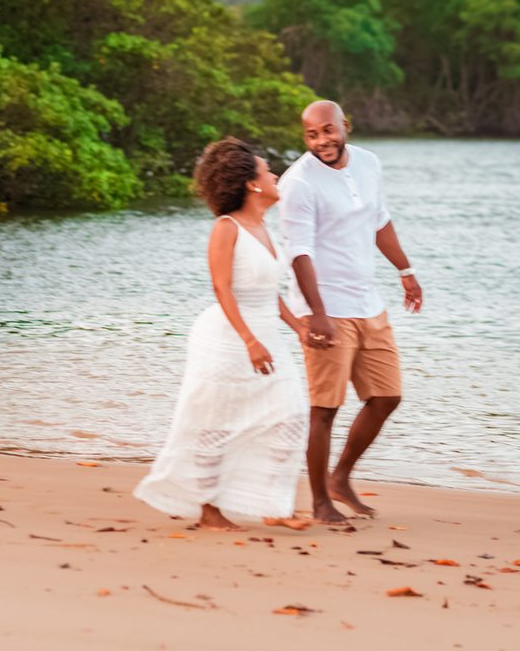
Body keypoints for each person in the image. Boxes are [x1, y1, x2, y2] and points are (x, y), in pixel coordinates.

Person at [134, 138, 311, 532]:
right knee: (214, 425)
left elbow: (267, 291)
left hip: (267, 336)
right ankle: (210, 511)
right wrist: (249, 340)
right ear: (251, 183)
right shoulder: (226, 228)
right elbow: (222, 288)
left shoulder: (264, 227)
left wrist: (299, 327)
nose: (275, 176)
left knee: (290, 416)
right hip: (228, 338)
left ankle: (273, 505)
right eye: (268, 171)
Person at [278, 101, 422, 526]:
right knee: (325, 409)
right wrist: (316, 313)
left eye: (328, 130)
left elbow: (380, 220)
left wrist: (406, 270)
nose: (322, 141)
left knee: (386, 396)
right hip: (327, 309)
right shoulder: (298, 183)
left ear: (346, 126)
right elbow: (298, 251)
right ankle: (321, 501)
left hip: (368, 302)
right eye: (311, 135)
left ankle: (340, 478)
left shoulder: (369, 163)